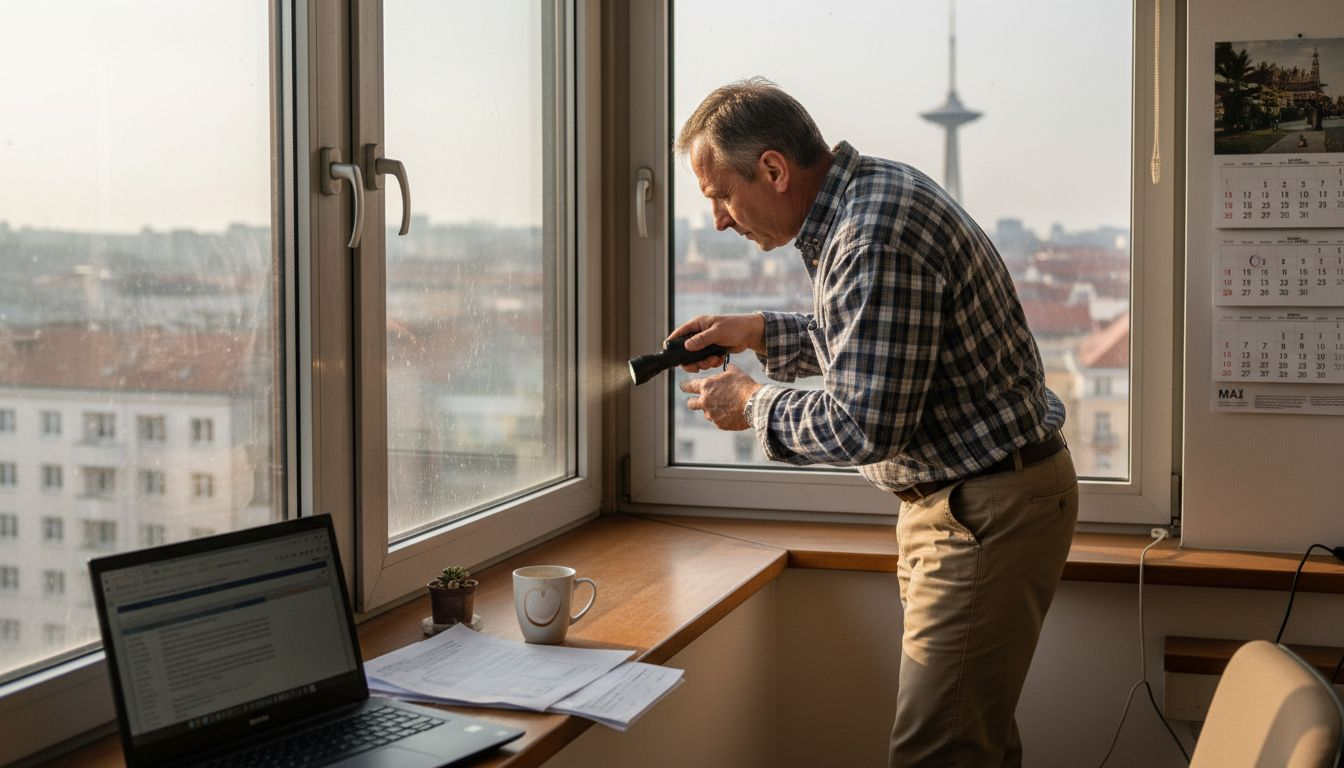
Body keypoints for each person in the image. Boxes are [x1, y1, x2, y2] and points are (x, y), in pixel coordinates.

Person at [671, 78, 1079, 767]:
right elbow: (877, 342)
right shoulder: (870, 195)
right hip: (973, 500)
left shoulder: (870, 234)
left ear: (773, 169)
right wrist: (760, 332)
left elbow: (865, 422)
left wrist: (752, 404)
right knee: (970, 740)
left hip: (980, 511)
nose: (717, 219)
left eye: (719, 195)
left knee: (938, 752)